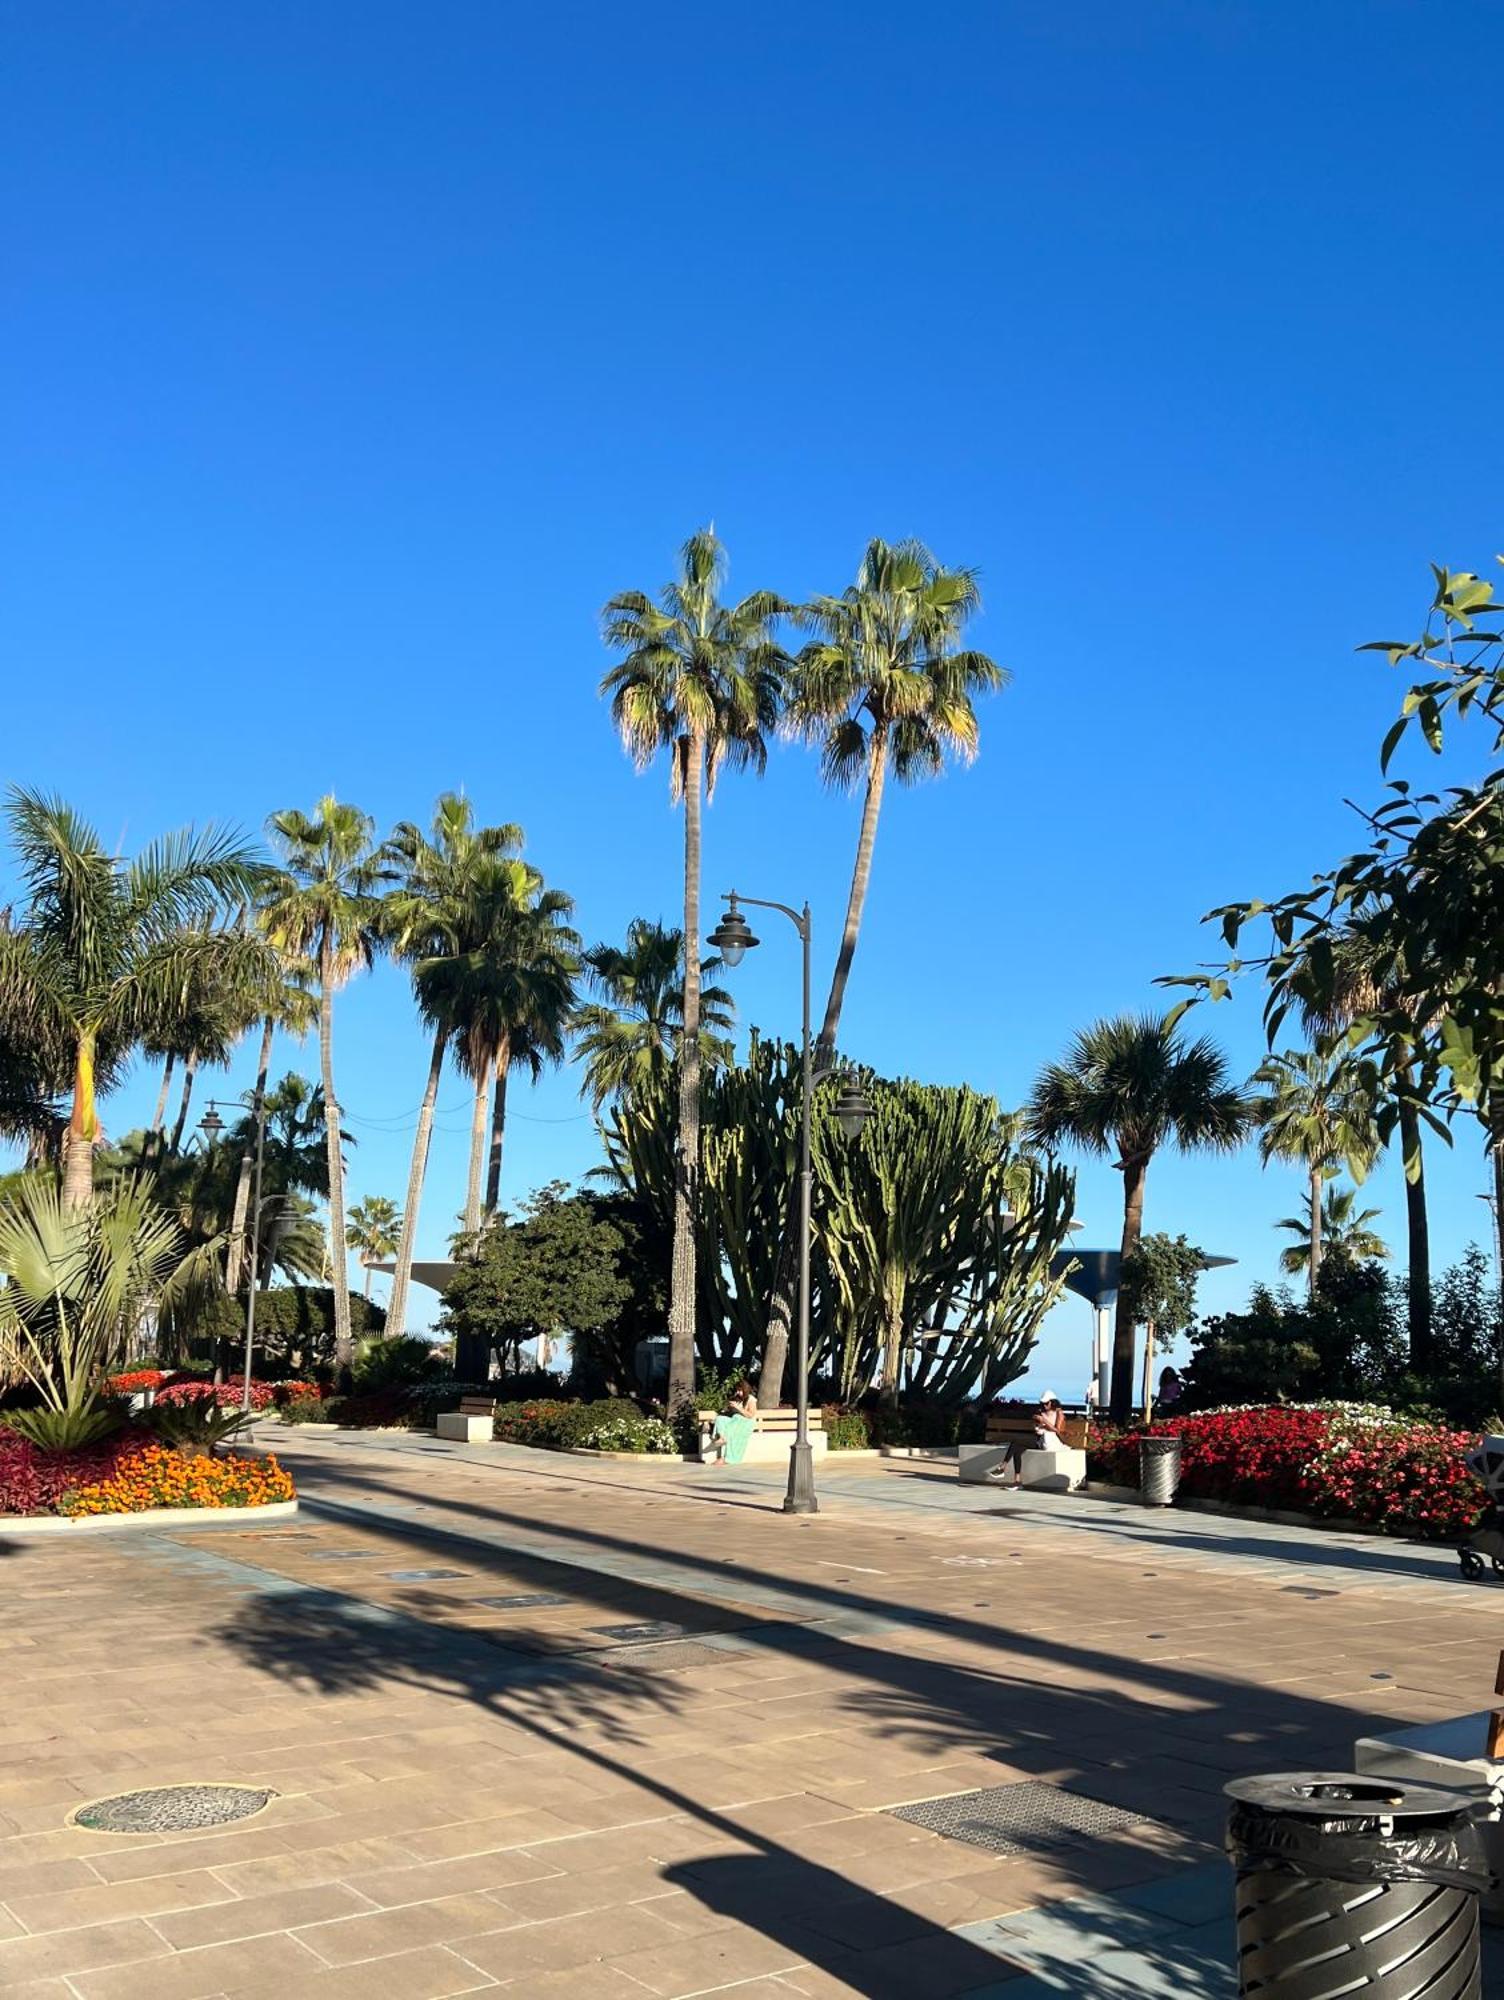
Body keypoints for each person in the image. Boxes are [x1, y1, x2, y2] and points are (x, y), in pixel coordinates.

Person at [989, 1392, 1067, 1486]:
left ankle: (1002, 1468)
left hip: (1049, 1441)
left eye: (1047, 1403)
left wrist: (1044, 1421)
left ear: (1052, 1402)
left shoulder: (1059, 1413)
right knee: (1016, 1448)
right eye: (1043, 1403)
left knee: (1015, 1441)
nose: (1044, 1405)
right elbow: (1036, 1426)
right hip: (1038, 1438)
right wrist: (1036, 1425)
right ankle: (1016, 1481)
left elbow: (1058, 1431)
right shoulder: (1041, 1412)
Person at [701, 1378, 758, 1464]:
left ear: (745, 1389)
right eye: (737, 1390)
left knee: (735, 1423)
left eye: (740, 1390)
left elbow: (751, 1415)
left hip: (746, 1422)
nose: (738, 1392)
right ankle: (722, 1438)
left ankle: (728, 1458)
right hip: (736, 1420)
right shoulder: (739, 1398)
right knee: (720, 1419)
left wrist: (738, 1408)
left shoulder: (751, 1399)